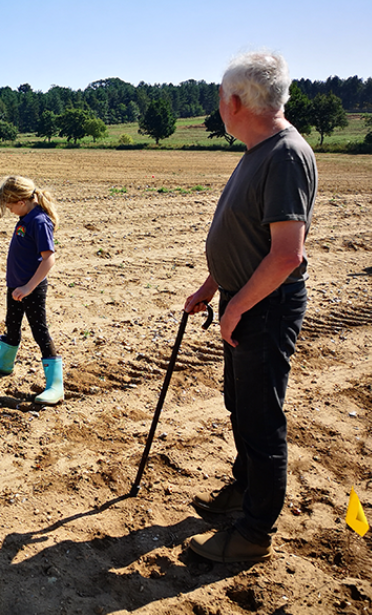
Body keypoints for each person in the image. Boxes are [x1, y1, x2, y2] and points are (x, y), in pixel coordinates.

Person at [183, 52, 317, 563]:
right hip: (243, 301)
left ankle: (253, 532)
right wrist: (213, 286)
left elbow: (286, 255)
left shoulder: (285, 155)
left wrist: (237, 306)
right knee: (241, 405)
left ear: (234, 102)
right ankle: (244, 489)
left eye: (220, 98)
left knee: (262, 419)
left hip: (264, 307)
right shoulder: (260, 149)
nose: (220, 107)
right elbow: (248, 237)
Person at [0, 176, 62, 405]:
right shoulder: (25, 216)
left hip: (30, 287)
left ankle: (55, 385)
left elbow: (48, 259)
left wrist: (28, 287)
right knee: (11, 324)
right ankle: (4, 363)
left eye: (9, 205)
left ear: (21, 201)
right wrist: (17, 285)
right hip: (16, 285)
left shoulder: (39, 221)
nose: (9, 210)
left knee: (39, 330)